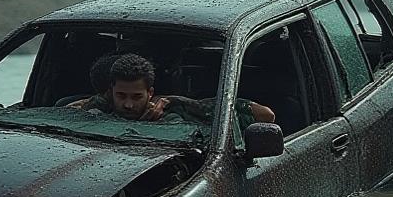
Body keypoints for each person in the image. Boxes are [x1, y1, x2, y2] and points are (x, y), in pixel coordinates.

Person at [78, 53, 276, 128]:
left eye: (137, 97)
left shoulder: (173, 118)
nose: (128, 104)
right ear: (110, 91)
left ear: (150, 93)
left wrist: (178, 102)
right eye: (121, 95)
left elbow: (266, 115)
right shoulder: (96, 112)